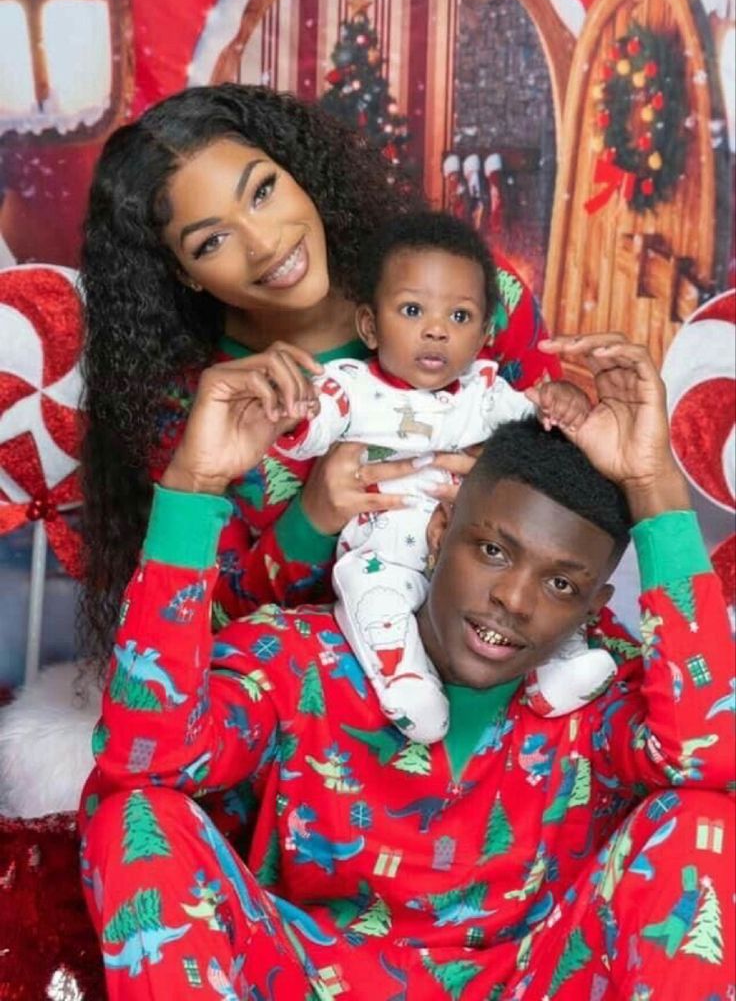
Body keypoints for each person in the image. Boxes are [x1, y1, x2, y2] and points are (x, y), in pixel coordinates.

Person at [79, 332, 734, 1001]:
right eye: (494, 552)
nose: (513, 599)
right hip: (311, 980)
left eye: (561, 585)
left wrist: (653, 486)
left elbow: (711, 759)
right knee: (137, 814)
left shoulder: (600, 697)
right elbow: (143, 758)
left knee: (701, 820)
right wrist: (194, 485)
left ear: (595, 606)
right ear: (438, 528)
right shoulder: (297, 658)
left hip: (529, 983)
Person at [79, 84, 561, 678]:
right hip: (314, 719)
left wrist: (507, 479)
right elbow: (192, 639)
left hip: (510, 685)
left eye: (262, 191)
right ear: (185, 274)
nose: (264, 244)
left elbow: (583, 486)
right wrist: (310, 519)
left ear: (298, 170)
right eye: (212, 241)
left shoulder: (469, 300)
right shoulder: (193, 407)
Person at [276, 211, 612, 743]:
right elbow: (314, 425)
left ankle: (562, 667)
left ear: (483, 336)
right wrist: (294, 414)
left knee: (540, 581)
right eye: (413, 310)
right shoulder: (353, 386)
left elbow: (535, 432)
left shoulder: (483, 389)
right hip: (387, 538)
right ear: (370, 325)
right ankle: (402, 677)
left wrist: (560, 403)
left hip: (471, 549)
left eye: (459, 317)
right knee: (375, 592)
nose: (436, 329)